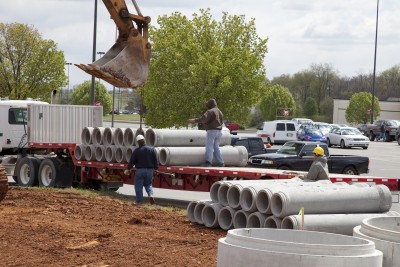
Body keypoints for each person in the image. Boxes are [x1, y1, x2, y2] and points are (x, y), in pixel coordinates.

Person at [188, 99, 224, 167]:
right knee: (216, 147)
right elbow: (222, 122)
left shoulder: (210, 111)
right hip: (219, 131)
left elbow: (203, 119)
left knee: (209, 147)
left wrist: (194, 120)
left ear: (209, 105)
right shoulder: (220, 112)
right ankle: (221, 162)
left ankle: (208, 162)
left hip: (211, 131)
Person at [126, 134, 158, 205]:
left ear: (138, 142)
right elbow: (155, 160)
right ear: (144, 140)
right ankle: (151, 194)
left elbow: (132, 161)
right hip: (150, 170)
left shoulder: (136, 151)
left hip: (140, 170)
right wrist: (156, 168)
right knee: (148, 184)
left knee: (138, 186)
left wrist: (128, 168)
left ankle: (139, 201)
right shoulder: (151, 149)